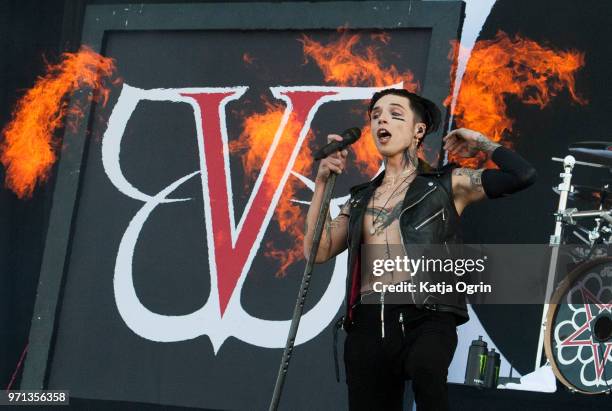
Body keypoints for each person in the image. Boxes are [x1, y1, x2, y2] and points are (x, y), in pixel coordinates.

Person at [303, 88, 537, 410]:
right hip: (370, 320)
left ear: (418, 130)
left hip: (427, 315)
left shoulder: (447, 183)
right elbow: (318, 250)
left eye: (395, 114)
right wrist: (321, 184)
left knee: (427, 373)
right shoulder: (360, 198)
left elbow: (522, 175)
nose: (382, 119)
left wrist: (482, 143)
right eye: (376, 115)